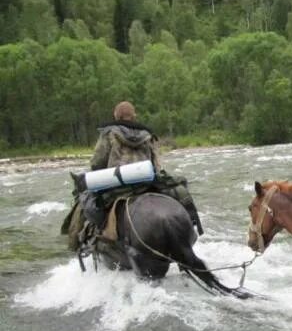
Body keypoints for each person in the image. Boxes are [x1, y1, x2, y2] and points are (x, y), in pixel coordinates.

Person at [62, 101, 203, 251]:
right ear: (134, 116)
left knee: (85, 203)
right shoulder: (148, 135)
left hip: (116, 185)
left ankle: (82, 243)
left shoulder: (109, 133)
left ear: (116, 116)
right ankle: (191, 227)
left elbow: (97, 163)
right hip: (146, 184)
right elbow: (156, 165)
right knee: (179, 191)